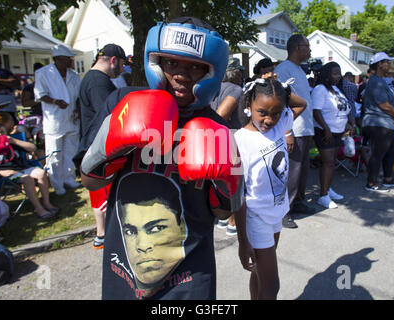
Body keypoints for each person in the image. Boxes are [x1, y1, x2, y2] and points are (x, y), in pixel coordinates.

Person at [80, 17, 243, 300]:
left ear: (211, 72)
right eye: (172, 63)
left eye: (195, 67)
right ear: (157, 63)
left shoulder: (218, 129)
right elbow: (89, 181)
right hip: (124, 269)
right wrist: (116, 145)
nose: (182, 75)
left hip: (190, 274)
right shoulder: (121, 102)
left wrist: (221, 177)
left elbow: (223, 212)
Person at [234, 78, 306, 299]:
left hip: (276, 212)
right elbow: (238, 196)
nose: (269, 119)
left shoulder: (281, 123)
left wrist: (281, 87)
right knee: (272, 285)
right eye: (262, 112)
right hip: (255, 218)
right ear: (248, 105)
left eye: (276, 113)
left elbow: (300, 104)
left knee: (260, 274)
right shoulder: (240, 141)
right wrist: (242, 241)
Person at [78, 43, 126, 250]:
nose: (123, 69)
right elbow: (108, 116)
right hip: (101, 147)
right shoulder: (98, 82)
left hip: (93, 146)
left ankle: (101, 236)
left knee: (99, 198)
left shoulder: (90, 78)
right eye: (122, 64)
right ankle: (110, 238)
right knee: (106, 196)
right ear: (113, 60)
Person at [274, 34, 315, 228]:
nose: (309, 50)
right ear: (298, 48)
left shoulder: (299, 70)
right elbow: (281, 102)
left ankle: (298, 202)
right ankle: (284, 211)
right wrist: (287, 132)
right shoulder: (283, 70)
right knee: (291, 172)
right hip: (294, 130)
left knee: (302, 171)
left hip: (305, 129)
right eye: (307, 46)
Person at [0, 122, 59, 219]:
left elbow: (33, 148)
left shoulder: (12, 144)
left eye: (1, 132)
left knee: (41, 173)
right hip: (7, 174)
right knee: (27, 179)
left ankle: (47, 203)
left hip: (22, 168)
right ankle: (39, 209)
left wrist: (13, 140)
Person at [34, 44, 81, 195]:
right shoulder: (43, 73)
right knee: (55, 153)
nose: (70, 61)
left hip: (71, 118)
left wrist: (78, 110)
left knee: (71, 150)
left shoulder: (73, 75)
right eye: (68, 59)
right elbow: (40, 94)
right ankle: (57, 183)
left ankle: (69, 178)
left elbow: (79, 96)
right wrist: (55, 101)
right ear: (58, 59)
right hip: (54, 119)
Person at [312, 62, 355, 209]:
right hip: (325, 132)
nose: (339, 76)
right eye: (335, 73)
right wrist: (326, 129)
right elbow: (316, 111)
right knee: (328, 162)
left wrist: (352, 124)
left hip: (339, 131)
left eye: (339, 73)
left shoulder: (337, 89)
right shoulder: (320, 89)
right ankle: (323, 196)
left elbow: (347, 109)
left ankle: (328, 189)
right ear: (327, 74)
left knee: (333, 162)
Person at [210, 57, 243, 236]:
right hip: (231, 140)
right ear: (235, 73)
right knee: (236, 184)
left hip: (214, 139)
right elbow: (221, 115)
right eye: (240, 71)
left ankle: (223, 219)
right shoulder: (236, 89)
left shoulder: (212, 88)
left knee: (221, 181)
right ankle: (232, 222)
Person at [362, 52, 394, 192]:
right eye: (387, 62)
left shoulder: (381, 80)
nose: (389, 65)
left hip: (385, 123)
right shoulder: (376, 81)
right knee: (378, 153)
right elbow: (383, 104)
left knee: (391, 150)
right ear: (379, 64)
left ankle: (388, 179)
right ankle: (371, 183)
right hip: (378, 123)